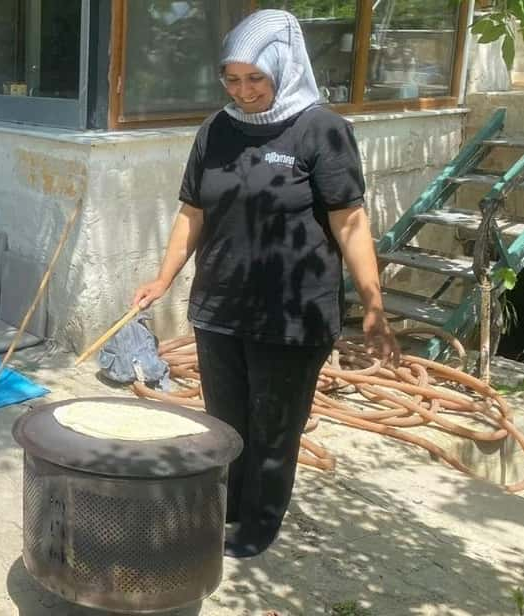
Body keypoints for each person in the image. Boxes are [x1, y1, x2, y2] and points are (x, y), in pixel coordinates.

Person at [131, 9, 399, 559]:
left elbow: (350, 222)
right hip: (219, 305)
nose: (244, 90)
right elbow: (191, 211)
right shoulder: (217, 129)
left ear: (285, 66)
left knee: (274, 429)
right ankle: (223, 507)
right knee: (225, 421)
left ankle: (259, 522)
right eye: (232, 78)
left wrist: (373, 304)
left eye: (256, 78)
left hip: (292, 314)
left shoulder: (321, 129)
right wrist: (163, 277)